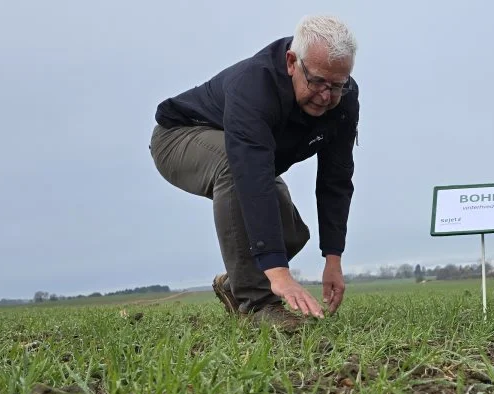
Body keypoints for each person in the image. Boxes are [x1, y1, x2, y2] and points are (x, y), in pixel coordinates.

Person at [149, 15, 360, 325]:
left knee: (292, 234)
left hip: (251, 159)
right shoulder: (254, 85)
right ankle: (258, 304)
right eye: (316, 81)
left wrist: (333, 258)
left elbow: (336, 179)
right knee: (233, 167)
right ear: (291, 62)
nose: (326, 96)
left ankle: (235, 283)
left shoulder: (343, 100)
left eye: (337, 85)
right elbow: (250, 173)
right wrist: (278, 275)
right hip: (179, 136)